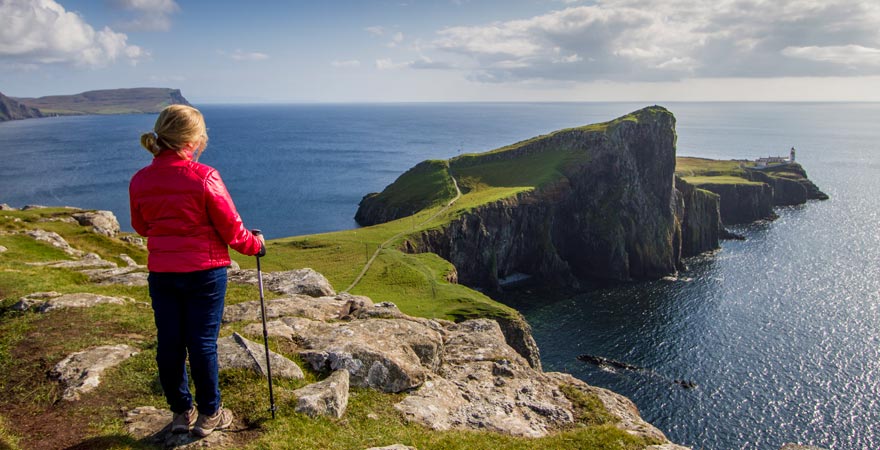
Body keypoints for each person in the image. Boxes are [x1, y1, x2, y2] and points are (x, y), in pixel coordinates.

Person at [129, 104, 265, 437]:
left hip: (163, 272)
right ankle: (209, 415)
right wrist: (256, 245)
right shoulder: (204, 177)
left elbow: (141, 226)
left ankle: (181, 412)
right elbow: (233, 230)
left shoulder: (141, 179)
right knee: (203, 343)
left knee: (170, 344)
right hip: (205, 272)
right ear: (193, 140)